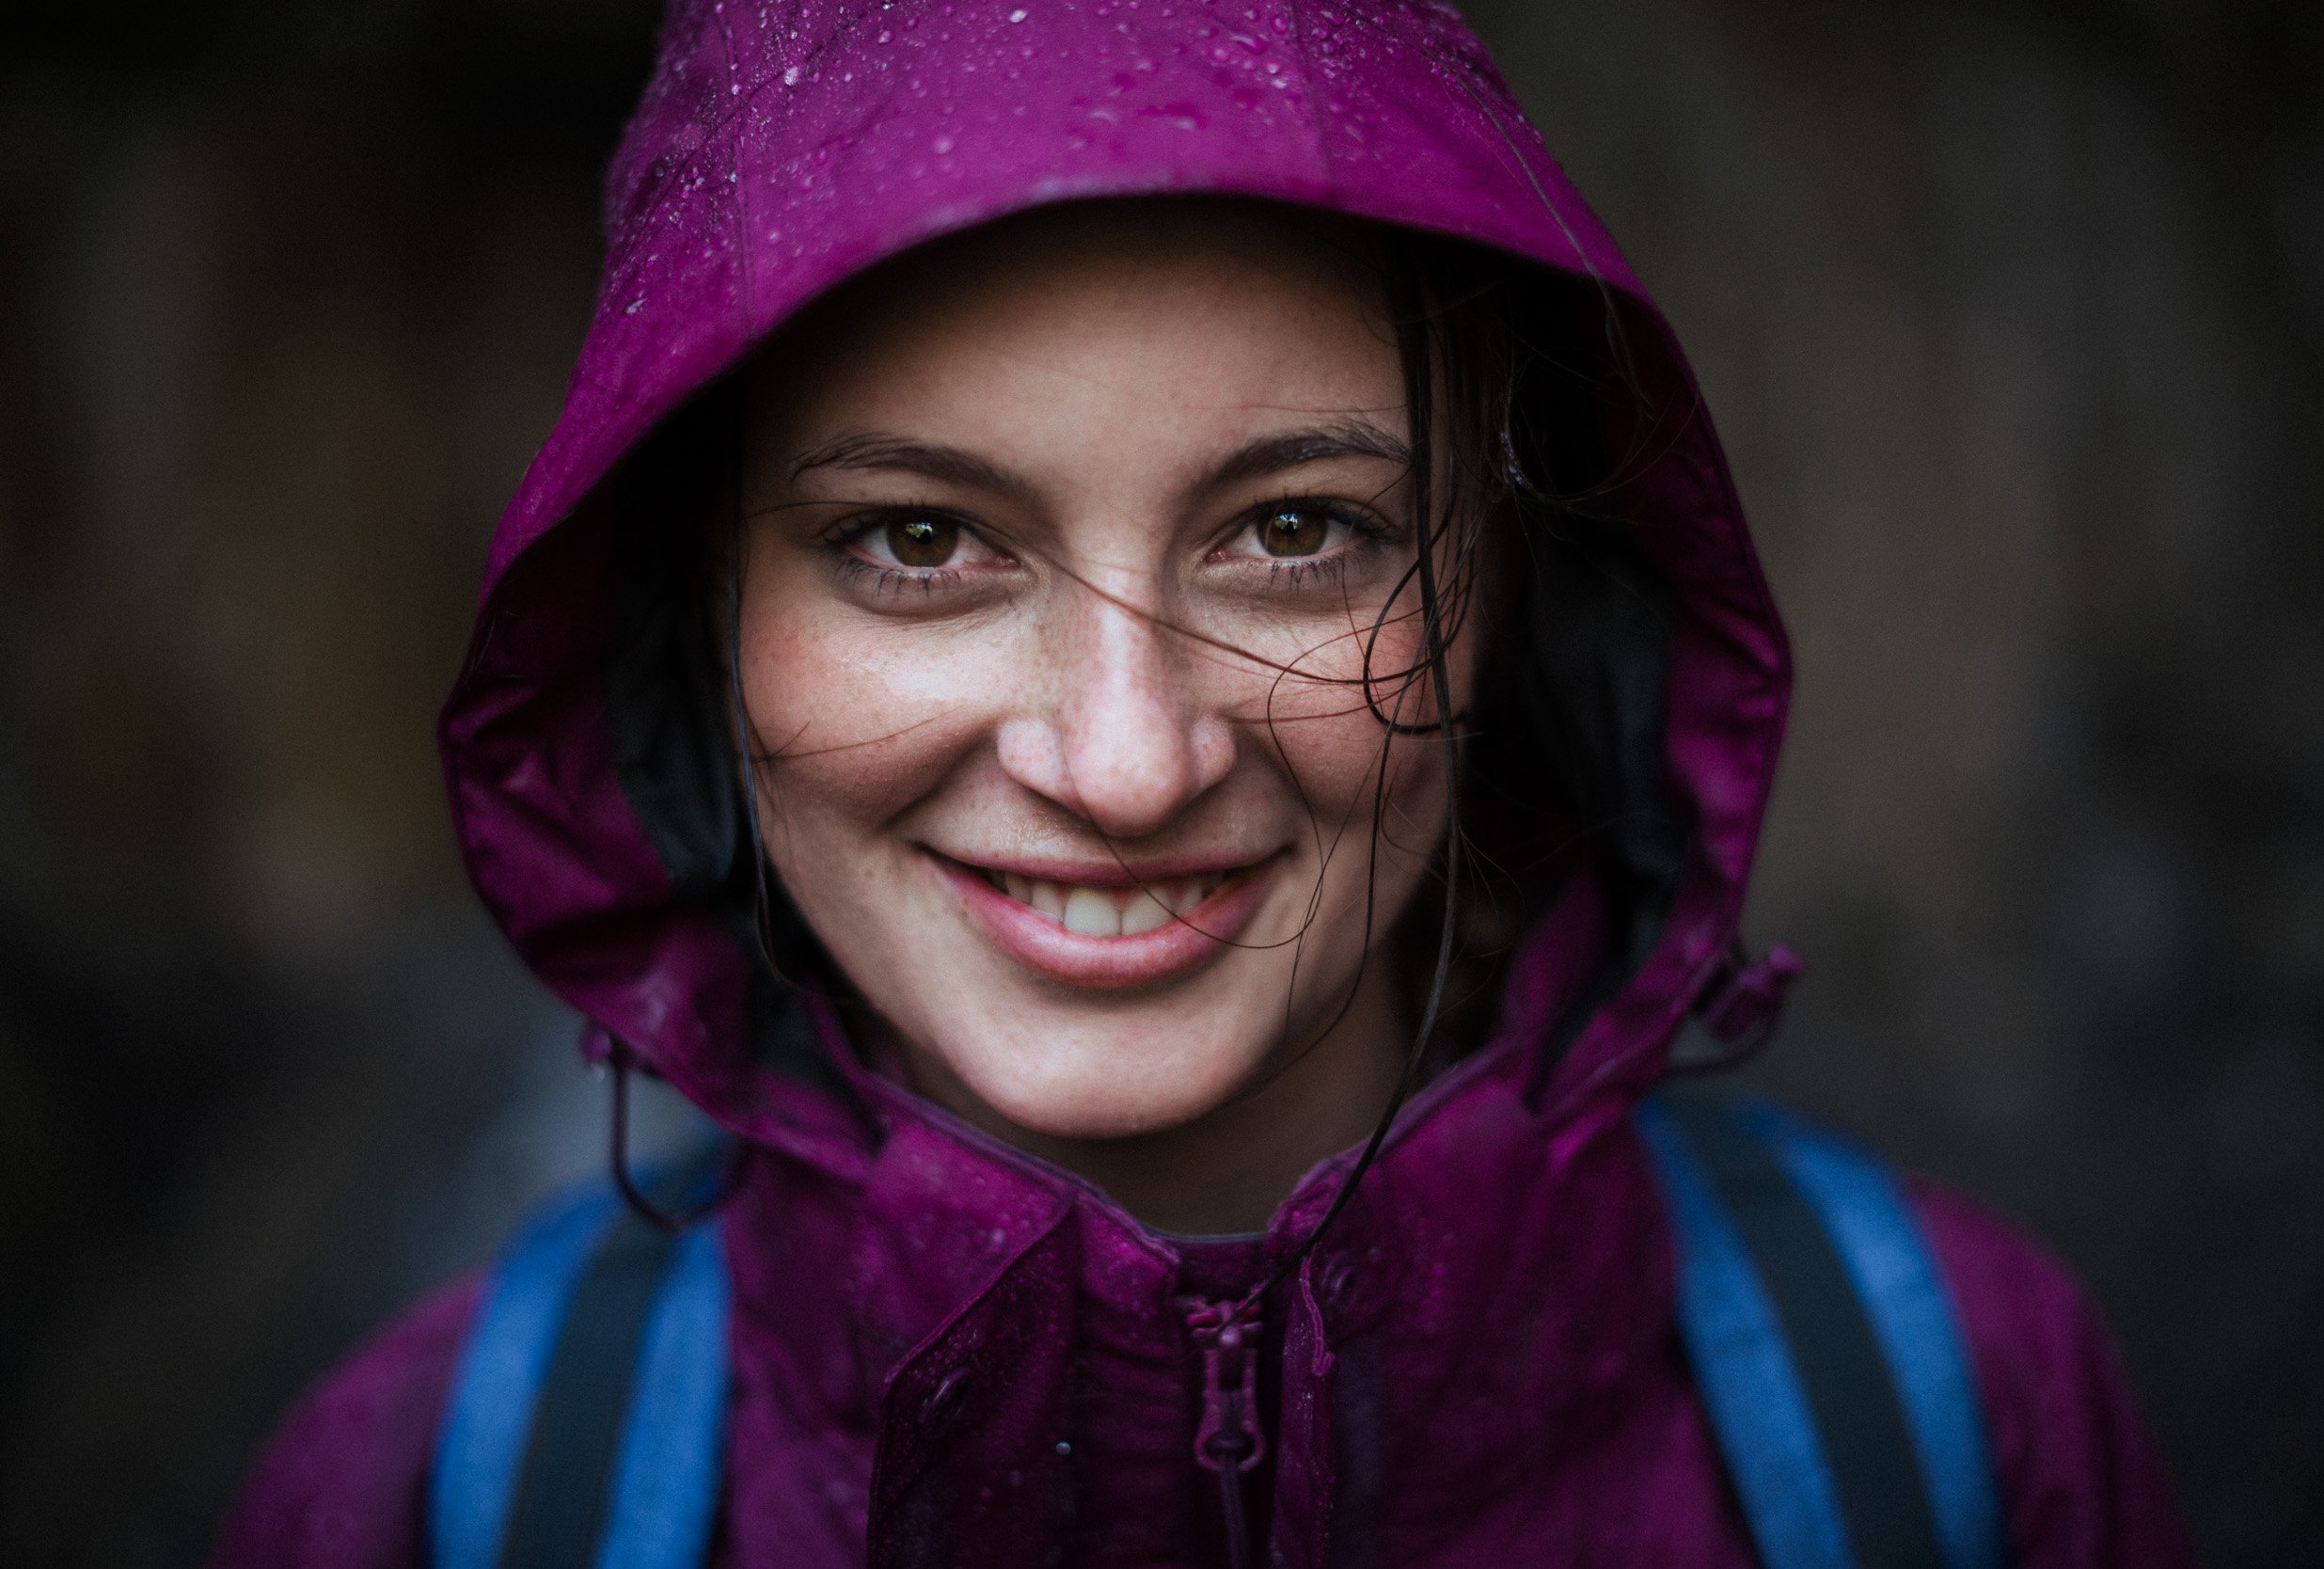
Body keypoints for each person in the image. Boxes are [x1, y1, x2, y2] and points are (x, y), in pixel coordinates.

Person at [212, 2, 2194, 1564]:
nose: (1127, 760)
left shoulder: (1946, 1420)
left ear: (1515, 587)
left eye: (1296, 532)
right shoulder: (429, 1506)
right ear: (691, 617)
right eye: (918, 541)